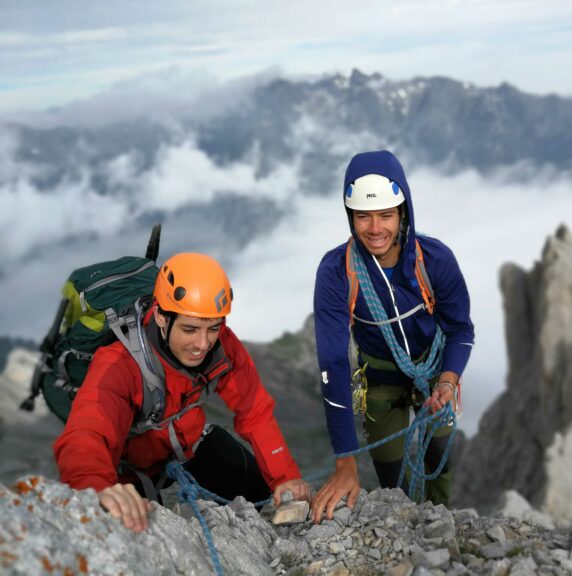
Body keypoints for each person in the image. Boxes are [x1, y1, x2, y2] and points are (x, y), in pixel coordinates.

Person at [54, 252, 310, 532]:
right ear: (162, 316)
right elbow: (86, 431)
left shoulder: (221, 344)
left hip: (185, 446)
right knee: (139, 532)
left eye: (213, 327)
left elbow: (254, 410)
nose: (202, 343)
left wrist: (284, 476)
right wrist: (97, 487)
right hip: (131, 471)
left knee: (260, 488)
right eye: (189, 329)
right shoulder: (118, 363)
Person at [311, 150, 474, 522]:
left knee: (438, 457)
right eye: (363, 216)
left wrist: (448, 381)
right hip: (380, 380)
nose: (374, 228)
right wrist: (345, 463)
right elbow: (334, 363)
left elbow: (460, 328)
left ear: (403, 212)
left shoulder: (434, 261)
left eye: (385, 214)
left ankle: (439, 524)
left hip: (435, 374)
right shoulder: (337, 272)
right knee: (392, 478)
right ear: (350, 216)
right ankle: (402, 531)